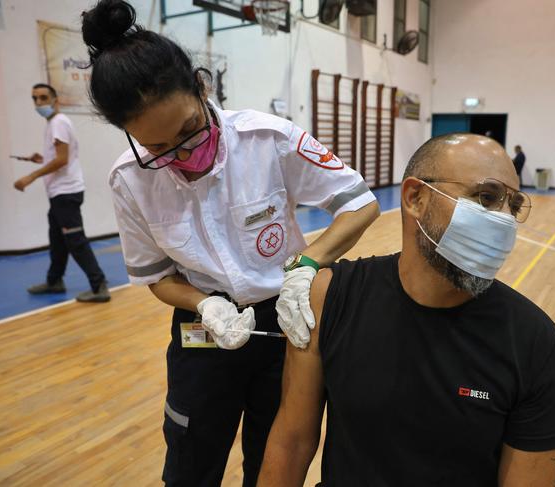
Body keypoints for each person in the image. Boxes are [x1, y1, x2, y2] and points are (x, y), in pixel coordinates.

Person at [80, 1, 379, 486]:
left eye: (188, 131)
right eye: (157, 148)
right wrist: (204, 304)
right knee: (189, 458)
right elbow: (156, 277)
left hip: (283, 320)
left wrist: (307, 263)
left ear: (202, 87)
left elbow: (360, 203)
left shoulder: (268, 139)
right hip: (205, 327)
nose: (182, 155)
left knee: (273, 459)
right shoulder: (129, 180)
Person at [259, 134, 555, 487]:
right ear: (415, 198)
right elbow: (292, 441)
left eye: (512, 206)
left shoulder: (534, 341)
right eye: (487, 197)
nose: (503, 221)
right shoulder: (330, 297)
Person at [13, 83, 110, 303]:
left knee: (75, 240)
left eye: (43, 98)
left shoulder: (58, 122)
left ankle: (99, 286)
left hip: (66, 193)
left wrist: (31, 176)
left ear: (55, 100)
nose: (38, 103)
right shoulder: (53, 124)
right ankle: (54, 281)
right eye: (34, 98)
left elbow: (62, 159)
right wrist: (40, 159)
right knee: (57, 240)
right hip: (59, 194)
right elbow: (59, 157)